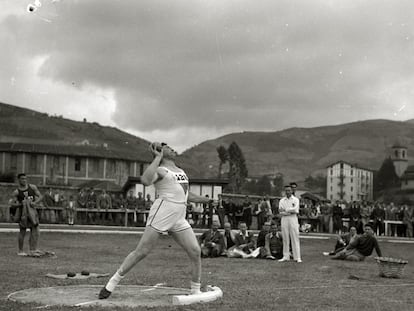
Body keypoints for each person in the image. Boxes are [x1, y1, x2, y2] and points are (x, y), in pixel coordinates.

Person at [99, 142, 214, 299]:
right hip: (163, 212)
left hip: (179, 217)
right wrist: (157, 158)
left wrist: (207, 200)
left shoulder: (181, 171)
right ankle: (112, 282)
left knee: (195, 251)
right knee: (142, 251)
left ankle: (195, 291)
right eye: (168, 147)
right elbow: (145, 180)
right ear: (160, 151)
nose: (173, 148)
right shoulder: (160, 169)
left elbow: (187, 194)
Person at [10, 173, 43, 256]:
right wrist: (22, 204)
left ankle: (33, 249)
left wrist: (34, 203)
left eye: (25, 178)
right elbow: (12, 204)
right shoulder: (16, 192)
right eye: (22, 179)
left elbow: (40, 196)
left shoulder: (32, 187)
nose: (24, 180)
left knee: (35, 230)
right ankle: (20, 251)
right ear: (19, 180)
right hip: (23, 213)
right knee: (22, 231)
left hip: (32, 212)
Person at [278, 185, 301, 263]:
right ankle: (285, 256)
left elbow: (296, 210)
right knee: (285, 238)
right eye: (286, 190)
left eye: (289, 190)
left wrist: (286, 210)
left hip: (293, 219)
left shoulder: (296, 200)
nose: (287, 192)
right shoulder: (282, 200)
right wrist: (289, 211)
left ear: (292, 191)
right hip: (284, 219)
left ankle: (297, 257)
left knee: (295, 237)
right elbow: (280, 211)